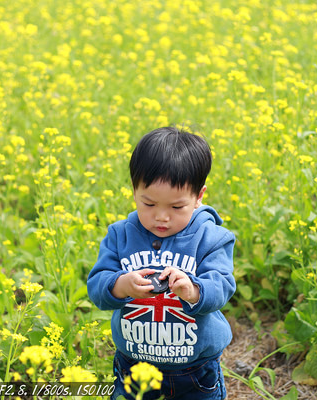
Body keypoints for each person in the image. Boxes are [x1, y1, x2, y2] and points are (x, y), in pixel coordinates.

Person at [87, 126, 236, 400]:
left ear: (199, 196)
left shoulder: (212, 237)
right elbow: (97, 286)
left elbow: (222, 286)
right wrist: (121, 285)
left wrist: (193, 290)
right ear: (134, 191)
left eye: (177, 207)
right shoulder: (120, 235)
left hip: (195, 368)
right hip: (134, 365)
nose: (162, 217)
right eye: (149, 204)